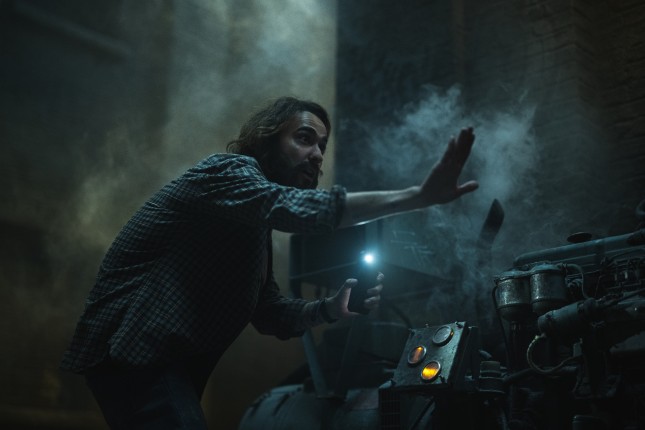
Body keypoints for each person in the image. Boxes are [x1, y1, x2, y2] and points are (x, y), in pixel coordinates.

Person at [61, 96, 478, 429]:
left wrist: (331, 308)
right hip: (134, 347)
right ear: (267, 140)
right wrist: (417, 197)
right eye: (304, 138)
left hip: (166, 362)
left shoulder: (252, 226)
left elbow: (268, 312)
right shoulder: (228, 171)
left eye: (322, 146)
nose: (317, 154)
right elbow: (293, 208)